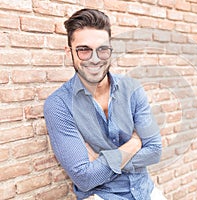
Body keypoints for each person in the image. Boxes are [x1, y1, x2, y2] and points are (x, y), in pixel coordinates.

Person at [44, 8, 164, 200]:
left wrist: (101, 162)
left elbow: (155, 151)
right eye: (84, 50)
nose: (94, 59)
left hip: (146, 192)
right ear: (69, 53)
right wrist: (134, 143)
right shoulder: (59, 105)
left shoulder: (132, 89)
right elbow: (85, 178)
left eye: (102, 49)